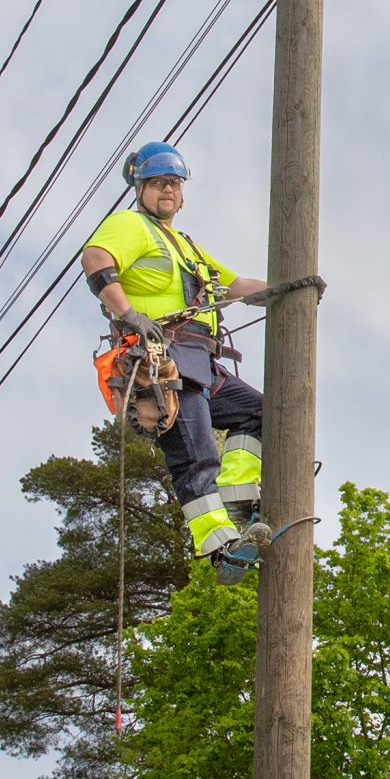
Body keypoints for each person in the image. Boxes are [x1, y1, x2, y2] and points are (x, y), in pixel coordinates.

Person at [81, 140, 271, 582]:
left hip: (201, 362)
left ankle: (239, 499)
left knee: (258, 412)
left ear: (182, 193)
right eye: (158, 182)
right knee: (196, 454)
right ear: (140, 188)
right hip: (162, 360)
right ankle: (220, 545)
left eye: (174, 182)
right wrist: (128, 313)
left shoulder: (184, 246)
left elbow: (236, 284)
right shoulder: (131, 225)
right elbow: (96, 258)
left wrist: (293, 285)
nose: (168, 189)